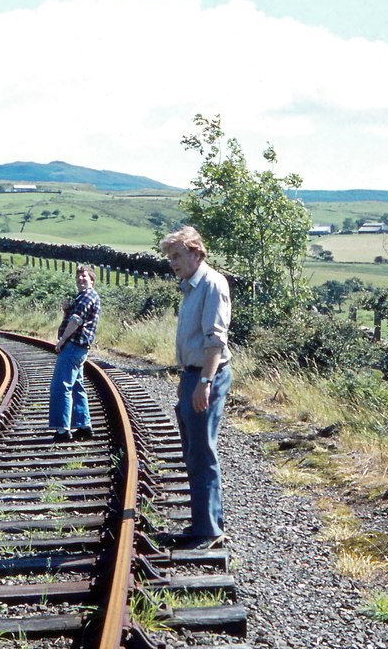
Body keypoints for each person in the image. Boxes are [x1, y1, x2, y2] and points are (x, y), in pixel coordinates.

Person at [159, 226, 233, 549]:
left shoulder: (212, 284)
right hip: (192, 375)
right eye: (169, 257)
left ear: (195, 253)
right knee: (193, 451)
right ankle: (203, 522)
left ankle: (211, 530)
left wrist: (203, 383)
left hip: (207, 375)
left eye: (177, 256)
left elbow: (215, 341)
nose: (172, 263)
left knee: (202, 451)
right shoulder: (190, 286)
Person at [48, 264, 101, 443]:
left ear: (92, 280)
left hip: (73, 346)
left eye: (84, 276)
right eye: (78, 276)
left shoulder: (87, 296)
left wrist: (62, 340)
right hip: (79, 348)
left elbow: (76, 321)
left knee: (60, 386)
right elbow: (77, 317)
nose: (80, 279)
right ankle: (84, 426)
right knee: (77, 387)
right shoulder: (85, 296)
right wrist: (66, 310)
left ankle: (63, 430)